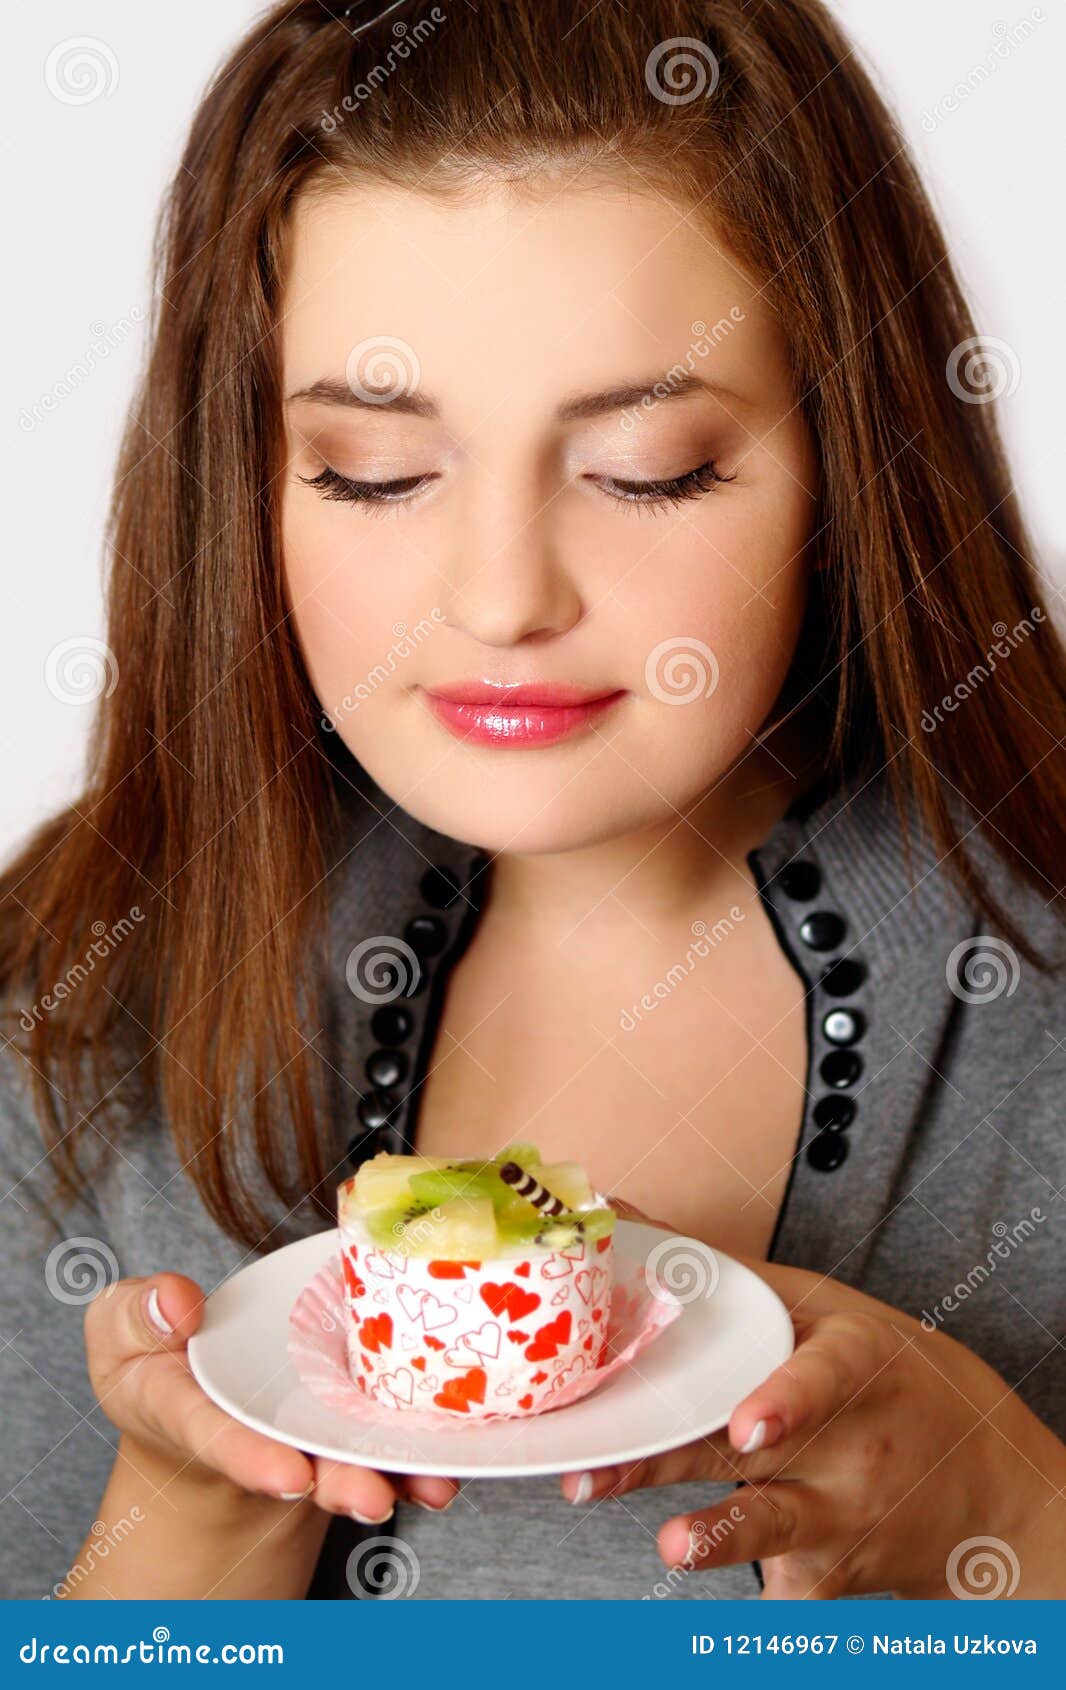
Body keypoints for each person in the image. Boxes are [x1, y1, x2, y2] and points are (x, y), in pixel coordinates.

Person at [1, 0, 1063, 1601]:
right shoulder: (73, 1000)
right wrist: (201, 1521)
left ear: (847, 463)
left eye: (645, 467)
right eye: (371, 470)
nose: (500, 599)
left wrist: (1020, 1523)